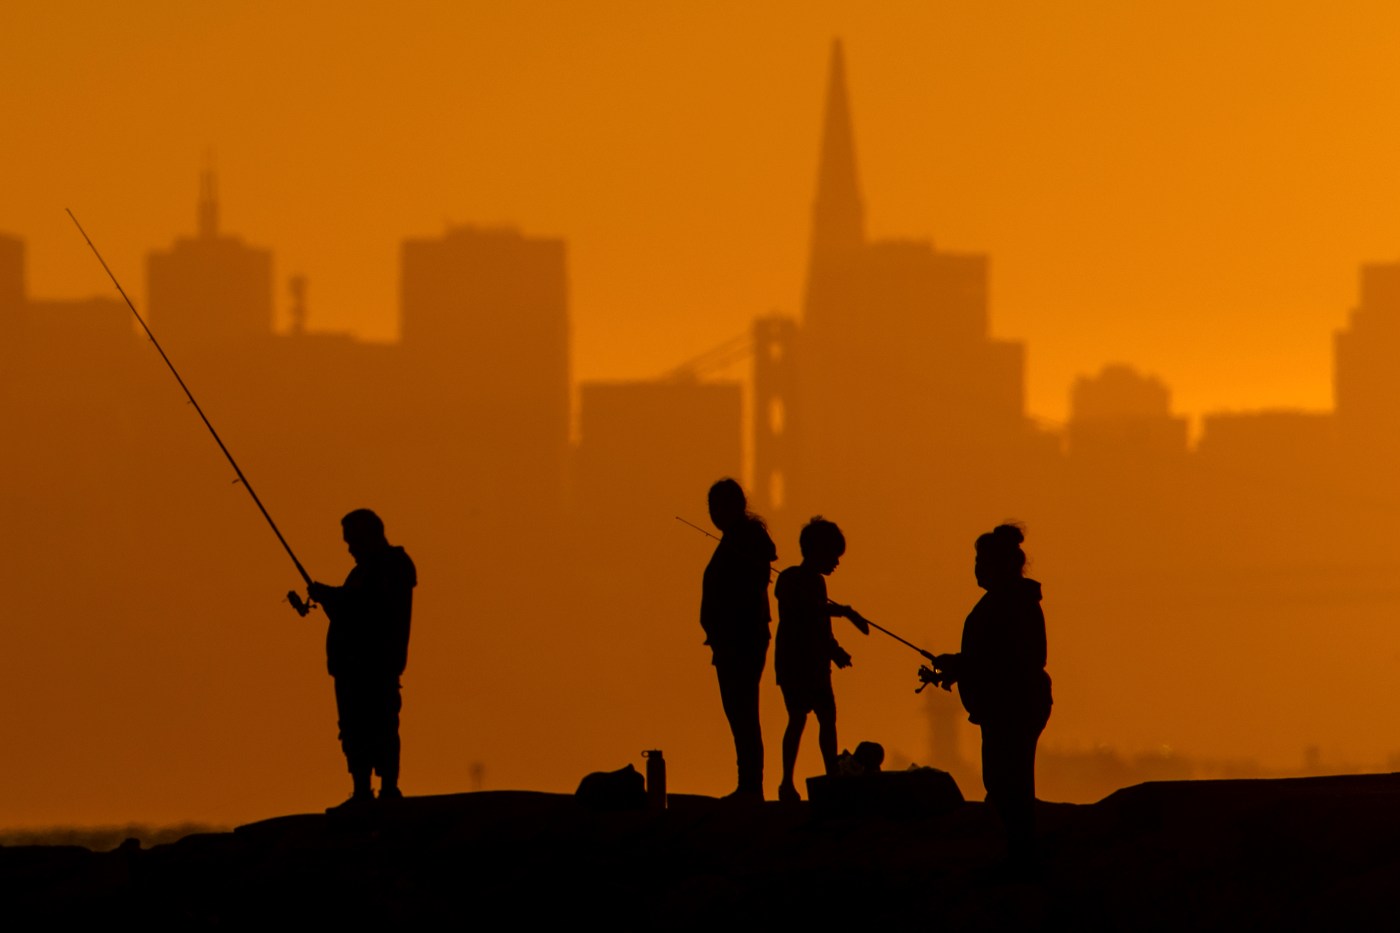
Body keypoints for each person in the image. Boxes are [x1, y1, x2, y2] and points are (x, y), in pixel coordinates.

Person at [932, 524, 1052, 868]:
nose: (976, 568)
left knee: (1007, 783)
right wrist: (961, 667)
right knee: (1005, 781)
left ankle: (1021, 856)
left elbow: (1011, 659)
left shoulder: (1010, 604)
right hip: (1011, 705)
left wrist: (960, 665)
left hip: (1013, 706)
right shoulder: (1011, 601)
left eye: (980, 561)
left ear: (997, 565)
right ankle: (1017, 852)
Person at [308, 509, 417, 809]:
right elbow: (350, 611)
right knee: (354, 729)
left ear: (369, 535)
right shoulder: (367, 571)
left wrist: (329, 595)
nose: (350, 548)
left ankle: (386, 791)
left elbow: (365, 609)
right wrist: (329, 599)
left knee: (378, 726)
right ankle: (362, 791)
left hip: (374, 666)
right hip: (352, 667)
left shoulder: (392, 567)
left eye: (353, 540)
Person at [774, 516, 869, 803]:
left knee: (828, 718)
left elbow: (820, 627)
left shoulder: (816, 583)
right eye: (832, 556)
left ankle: (831, 776)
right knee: (798, 719)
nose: (836, 563)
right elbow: (803, 611)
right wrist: (844, 612)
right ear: (815, 551)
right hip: (794, 664)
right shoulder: (789, 578)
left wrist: (834, 650)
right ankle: (787, 782)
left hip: (816, 664)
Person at [699, 478, 777, 801]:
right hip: (731, 641)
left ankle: (751, 785)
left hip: (741, 641)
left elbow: (753, 584)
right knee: (739, 714)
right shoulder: (737, 539)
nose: (715, 514)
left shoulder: (747, 540)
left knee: (743, 712)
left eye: (720, 507)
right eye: (712, 508)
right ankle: (748, 783)